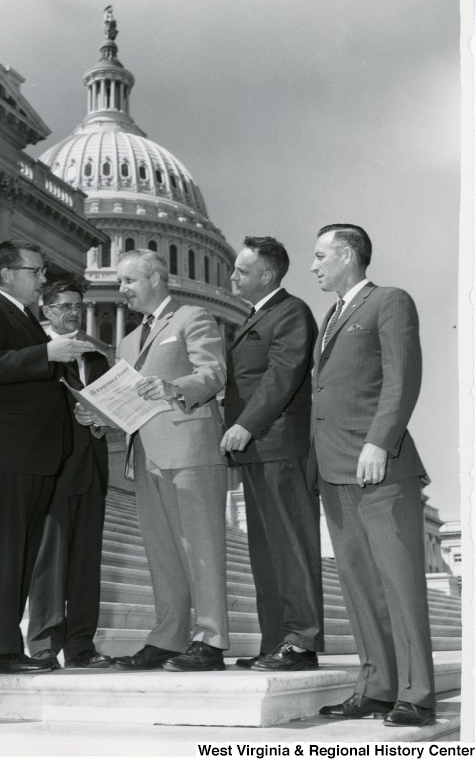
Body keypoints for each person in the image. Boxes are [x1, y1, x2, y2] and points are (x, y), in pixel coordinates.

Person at [77, 249, 230, 671]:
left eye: (128, 281)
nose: (121, 289)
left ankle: (212, 640)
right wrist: (97, 415)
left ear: (156, 279)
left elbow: (213, 373)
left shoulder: (191, 318)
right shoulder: (127, 341)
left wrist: (172, 386)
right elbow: (127, 400)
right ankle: (168, 637)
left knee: (200, 547)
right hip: (144, 454)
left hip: (190, 449)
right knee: (161, 551)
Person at [309, 224, 435, 727]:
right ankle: (378, 686)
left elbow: (403, 377)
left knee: (399, 582)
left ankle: (417, 694)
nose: (314, 265)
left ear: (347, 255)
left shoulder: (389, 301)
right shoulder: (331, 316)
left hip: (379, 466)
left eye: (320, 256)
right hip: (333, 470)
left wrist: (379, 441)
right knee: (359, 584)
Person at [0, 240, 94, 674]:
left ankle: (6, 646)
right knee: (3, 555)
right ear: (7, 273)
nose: (42, 279)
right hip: (6, 457)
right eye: (35, 271)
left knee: (20, 556)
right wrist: (47, 354)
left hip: (35, 459)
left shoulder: (24, 320)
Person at [221, 237, 323, 671]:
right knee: (265, 552)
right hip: (258, 452)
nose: (232, 276)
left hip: (279, 444)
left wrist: (245, 424)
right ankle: (275, 640)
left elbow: (282, 375)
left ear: (266, 275)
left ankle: (301, 642)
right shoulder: (256, 316)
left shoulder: (291, 312)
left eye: (241, 271)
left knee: (291, 545)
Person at [27, 280, 111, 669]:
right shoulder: (34, 353)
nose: (72, 312)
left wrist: (100, 420)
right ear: (46, 310)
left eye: (77, 305)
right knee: (49, 563)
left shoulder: (96, 360)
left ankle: (81, 647)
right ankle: (43, 644)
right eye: (62, 306)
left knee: (85, 564)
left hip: (90, 469)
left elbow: (112, 411)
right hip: (52, 471)